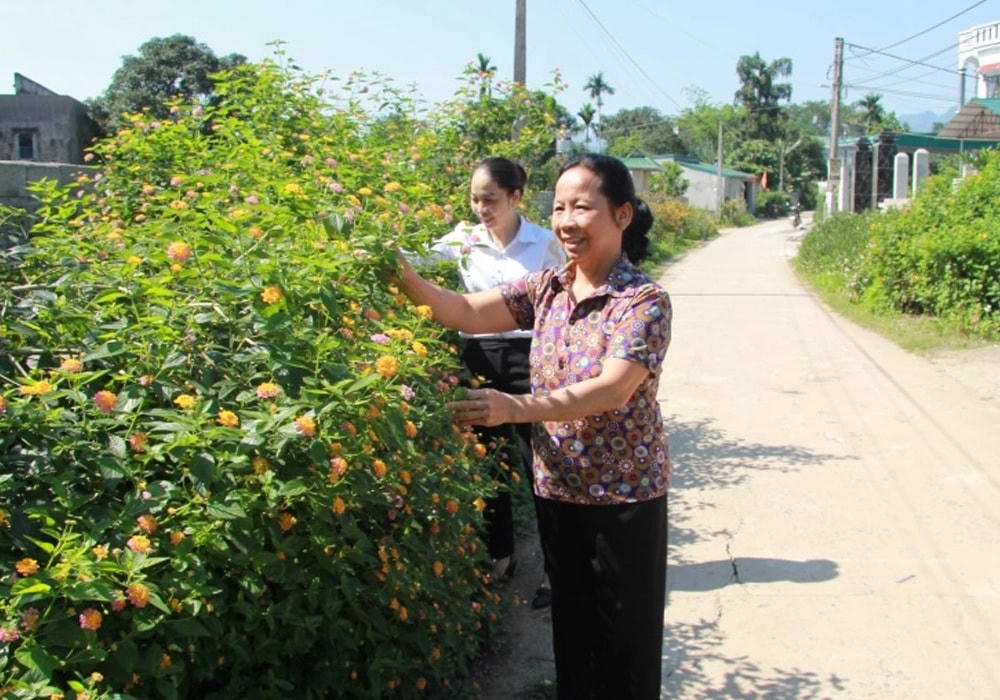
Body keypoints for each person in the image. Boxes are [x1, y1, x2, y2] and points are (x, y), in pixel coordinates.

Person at [395, 153, 671, 698]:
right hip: (559, 489)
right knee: (573, 630)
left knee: (625, 642)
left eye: (582, 207)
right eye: (559, 208)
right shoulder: (547, 288)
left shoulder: (642, 301)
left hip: (624, 497)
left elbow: (612, 389)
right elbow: (463, 311)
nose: (566, 221)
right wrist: (397, 270)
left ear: (622, 215)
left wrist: (513, 407)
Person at [419, 157, 565, 604]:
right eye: (475, 199)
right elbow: (415, 259)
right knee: (490, 463)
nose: (481, 208)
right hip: (478, 357)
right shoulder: (463, 240)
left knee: (539, 464)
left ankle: (555, 570)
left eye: (490, 199)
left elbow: (562, 295)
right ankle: (500, 556)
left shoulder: (543, 243)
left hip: (529, 358)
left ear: (515, 197)